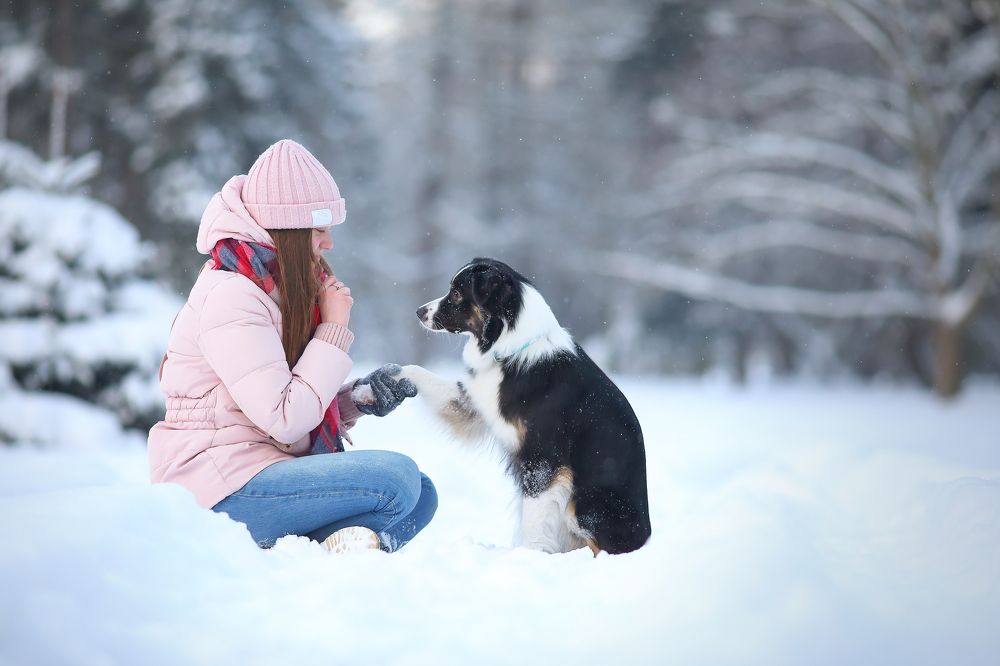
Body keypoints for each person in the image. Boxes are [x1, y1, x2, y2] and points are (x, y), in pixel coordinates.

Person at [148, 139, 435, 553]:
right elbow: (284, 419)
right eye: (319, 231)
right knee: (397, 480)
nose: (329, 243)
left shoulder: (270, 288)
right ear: (291, 232)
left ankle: (327, 551)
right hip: (216, 485)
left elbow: (281, 401)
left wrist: (356, 400)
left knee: (422, 495)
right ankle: (314, 550)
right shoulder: (232, 295)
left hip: (261, 464)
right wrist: (333, 330)